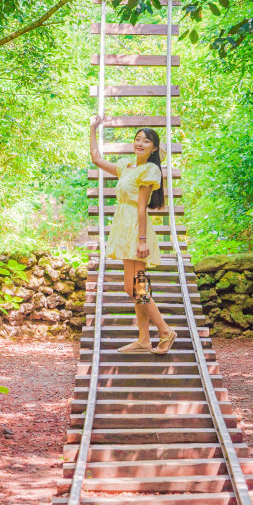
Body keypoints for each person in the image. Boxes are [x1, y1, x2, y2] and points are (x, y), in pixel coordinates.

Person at [89, 115, 177, 354]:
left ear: (154, 148)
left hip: (137, 230)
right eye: (137, 139)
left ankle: (166, 331)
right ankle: (144, 340)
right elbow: (96, 158)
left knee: (136, 288)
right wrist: (93, 128)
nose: (140, 143)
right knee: (133, 288)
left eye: (146, 141)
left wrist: (142, 241)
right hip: (124, 227)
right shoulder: (127, 167)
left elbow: (141, 208)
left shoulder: (150, 169)